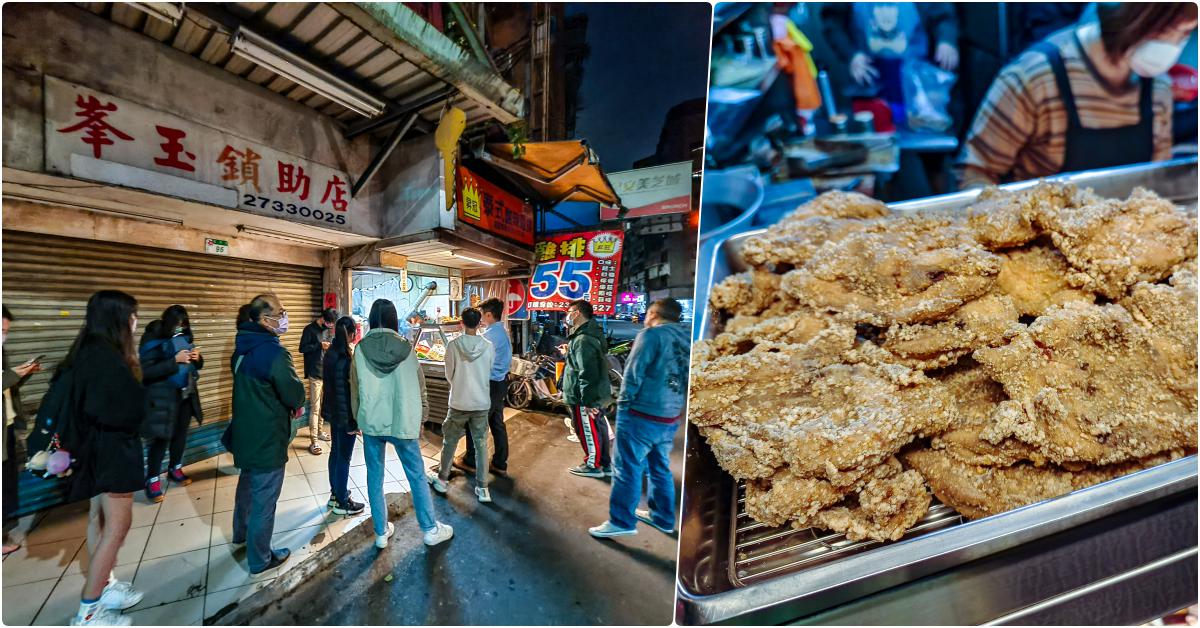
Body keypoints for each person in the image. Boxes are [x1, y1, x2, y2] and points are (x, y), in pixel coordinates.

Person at [957, 3, 1197, 187]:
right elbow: (973, 173)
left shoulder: (1159, 89)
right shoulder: (1034, 78)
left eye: (1185, 34)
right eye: (1167, 31)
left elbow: (1155, 178)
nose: (1174, 45)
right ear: (1133, 16)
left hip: (1125, 241)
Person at [64, 291, 147, 626]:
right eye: (132, 316)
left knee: (100, 520)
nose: (134, 322)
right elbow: (126, 411)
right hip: (111, 454)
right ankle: (88, 612)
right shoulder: (107, 360)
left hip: (97, 453)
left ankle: (106, 585)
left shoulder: (88, 351)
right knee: (117, 526)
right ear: (118, 319)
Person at [351, 299, 453, 549]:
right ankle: (429, 529)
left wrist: (358, 418)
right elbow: (420, 387)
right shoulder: (407, 348)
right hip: (403, 421)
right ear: (394, 319)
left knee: (374, 476)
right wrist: (422, 417)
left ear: (372, 319)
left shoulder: (360, 349)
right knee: (416, 475)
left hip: (372, 422)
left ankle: (380, 532)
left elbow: (354, 390)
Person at [590, 298, 691, 538]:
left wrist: (620, 408)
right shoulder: (687, 336)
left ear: (653, 313)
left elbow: (633, 375)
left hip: (640, 413)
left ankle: (622, 521)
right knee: (659, 466)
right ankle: (663, 517)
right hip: (670, 414)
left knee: (627, 467)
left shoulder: (650, 335)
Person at [226, 294, 306, 575]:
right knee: (265, 497)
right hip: (267, 435)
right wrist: (297, 402)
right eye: (280, 313)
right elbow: (293, 391)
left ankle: (241, 534)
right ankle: (260, 558)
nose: (284, 318)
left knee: (247, 486)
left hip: (244, 433)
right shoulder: (272, 352)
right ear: (264, 319)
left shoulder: (242, 347)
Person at [428, 307, 495, 503]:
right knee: (481, 444)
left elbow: (449, 374)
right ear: (480, 322)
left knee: (450, 441)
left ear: (461, 323)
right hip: (481, 402)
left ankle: (442, 479)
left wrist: (460, 385)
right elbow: (489, 370)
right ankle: (483, 488)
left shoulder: (453, 345)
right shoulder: (488, 346)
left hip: (458, 401)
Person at [140, 305, 204, 502]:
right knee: (160, 439)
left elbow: (195, 366)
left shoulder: (185, 337)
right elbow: (146, 372)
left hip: (186, 395)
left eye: (184, 324)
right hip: (163, 399)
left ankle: (175, 469)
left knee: (180, 436)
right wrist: (174, 360)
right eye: (177, 324)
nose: (180, 328)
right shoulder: (153, 339)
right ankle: (152, 480)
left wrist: (197, 358)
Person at [457, 298, 512, 477]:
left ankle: (471, 461)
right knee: (497, 424)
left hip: (488, 386)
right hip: (500, 383)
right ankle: (499, 463)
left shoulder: (489, 336)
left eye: (483, 315)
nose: (482, 318)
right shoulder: (500, 332)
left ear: (489, 314)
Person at [561, 300, 614, 478]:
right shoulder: (588, 336)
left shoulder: (583, 340)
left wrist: (588, 401)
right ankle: (605, 464)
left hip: (584, 396)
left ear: (577, 313)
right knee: (598, 428)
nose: (567, 315)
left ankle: (593, 465)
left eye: (569, 311)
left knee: (588, 429)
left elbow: (588, 373)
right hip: (594, 394)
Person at [2, 306, 39, 556]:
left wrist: (22, 375)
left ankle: (4, 525)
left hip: (8, 423)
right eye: (1, 330)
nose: (4, 335)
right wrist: (14, 375)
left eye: (6, 331)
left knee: (7, 477)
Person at [321, 316, 364, 515]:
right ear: (349, 333)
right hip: (344, 416)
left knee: (336, 454)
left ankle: (334, 494)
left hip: (333, 413)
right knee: (343, 458)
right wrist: (352, 422)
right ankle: (342, 500)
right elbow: (344, 394)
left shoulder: (331, 353)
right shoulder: (344, 359)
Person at [300, 308, 337, 455]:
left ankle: (320, 432)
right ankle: (314, 441)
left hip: (326, 372)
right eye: (328, 323)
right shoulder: (309, 329)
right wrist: (319, 345)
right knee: (315, 408)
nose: (330, 326)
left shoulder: (326, 329)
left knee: (323, 406)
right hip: (314, 373)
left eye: (332, 324)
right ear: (322, 318)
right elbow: (302, 348)